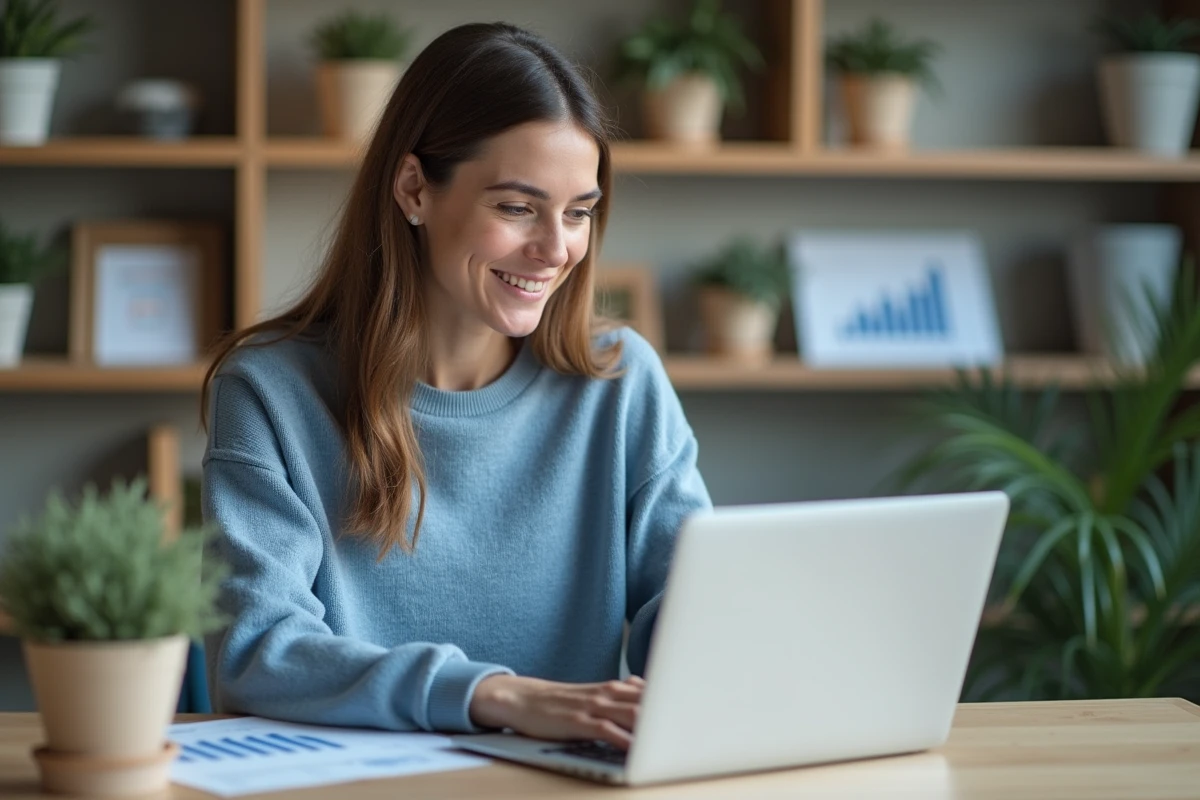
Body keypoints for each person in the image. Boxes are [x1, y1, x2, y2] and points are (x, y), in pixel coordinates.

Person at [200, 21, 711, 751]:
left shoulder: (620, 382)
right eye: (517, 207)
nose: (557, 248)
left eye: (579, 212)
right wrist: (493, 696)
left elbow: (691, 610)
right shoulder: (271, 392)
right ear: (414, 188)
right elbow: (258, 652)